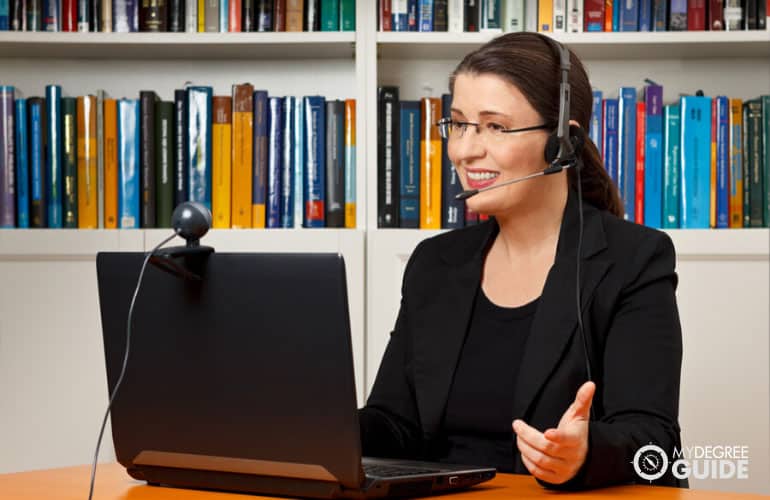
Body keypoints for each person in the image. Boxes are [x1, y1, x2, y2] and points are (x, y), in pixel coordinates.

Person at [358, 31, 686, 490]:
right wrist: (314, 426)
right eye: (458, 124)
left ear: (562, 144)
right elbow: (397, 424)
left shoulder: (634, 259)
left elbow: (655, 440)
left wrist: (584, 452)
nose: (465, 149)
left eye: (494, 126)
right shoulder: (434, 263)